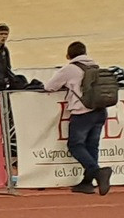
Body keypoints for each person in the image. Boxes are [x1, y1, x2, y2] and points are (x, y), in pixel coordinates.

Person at [43, 41, 114, 193]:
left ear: (68, 55)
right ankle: (87, 183)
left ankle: (97, 172)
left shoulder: (69, 69)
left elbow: (49, 86)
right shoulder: (94, 66)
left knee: (75, 145)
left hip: (82, 111)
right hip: (100, 110)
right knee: (92, 146)